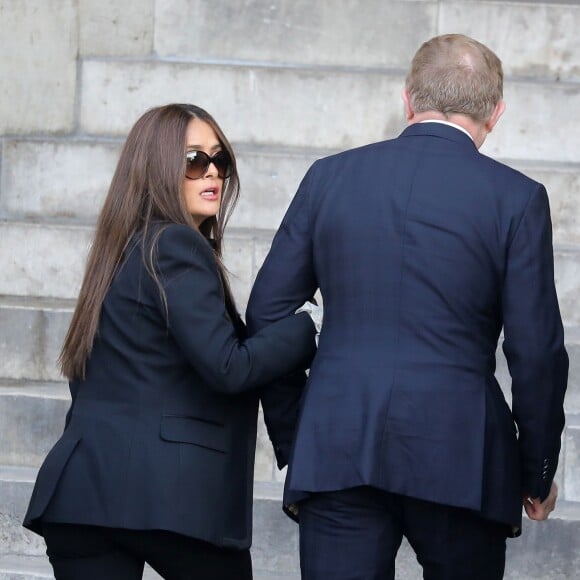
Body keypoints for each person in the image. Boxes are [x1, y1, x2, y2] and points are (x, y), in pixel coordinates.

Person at [246, 34, 568, 580]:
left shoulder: (330, 177)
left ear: (408, 99)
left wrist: (300, 428)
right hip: (462, 453)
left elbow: (267, 314)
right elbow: (536, 353)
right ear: (496, 112)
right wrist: (535, 473)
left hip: (338, 444)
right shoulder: (517, 199)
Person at [23, 103, 317, 580]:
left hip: (81, 497)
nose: (213, 173)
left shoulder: (120, 250)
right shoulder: (176, 246)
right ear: (157, 168)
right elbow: (229, 366)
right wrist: (311, 325)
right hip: (169, 501)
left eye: (221, 160)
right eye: (194, 160)